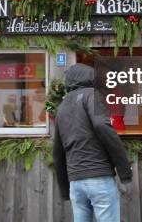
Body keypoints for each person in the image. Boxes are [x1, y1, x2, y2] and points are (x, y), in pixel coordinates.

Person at [53, 63, 132, 222]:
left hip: (76, 183)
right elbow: (101, 125)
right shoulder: (92, 94)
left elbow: (57, 152)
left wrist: (64, 189)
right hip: (99, 177)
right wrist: (124, 171)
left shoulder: (62, 106)